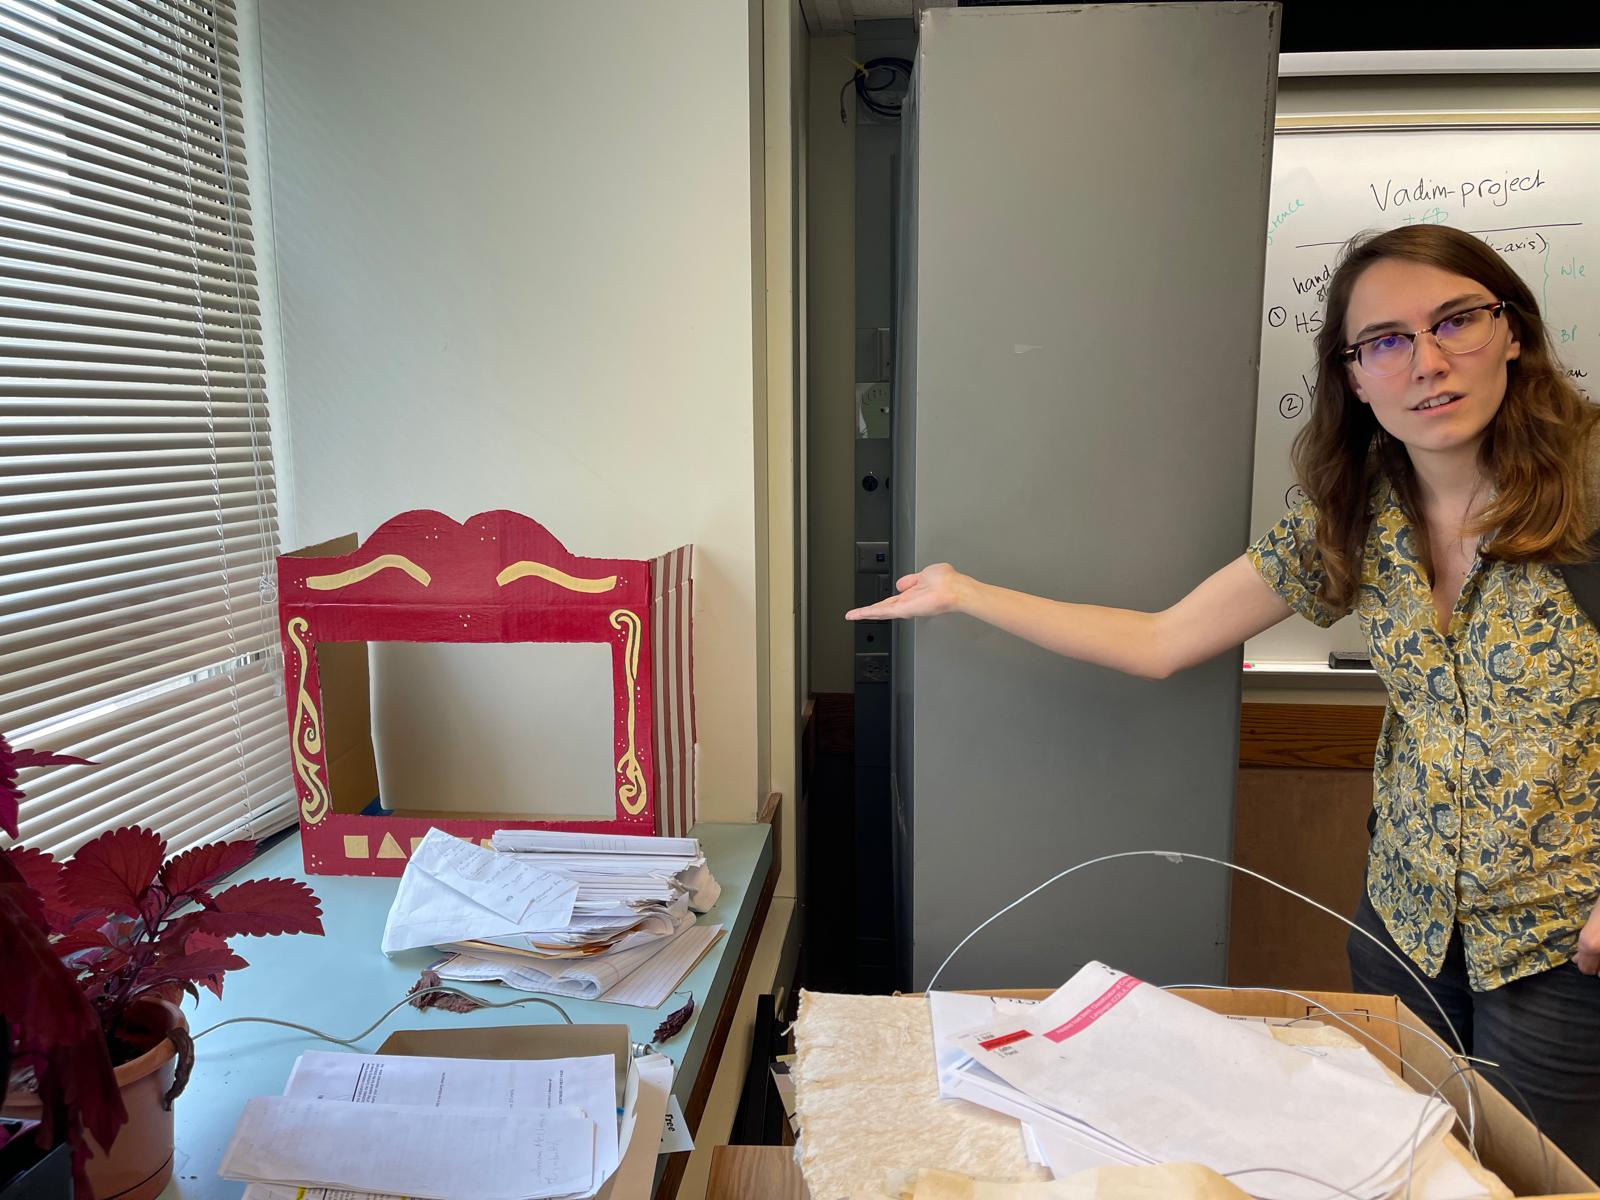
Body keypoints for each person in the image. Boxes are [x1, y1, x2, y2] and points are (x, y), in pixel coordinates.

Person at [846, 224, 1600, 1177]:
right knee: (1414, 1168)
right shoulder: (1355, 511)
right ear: (1354, 376)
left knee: (1541, 1180)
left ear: (1512, 331)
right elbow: (1164, 640)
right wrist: (966, 594)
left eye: (1457, 321)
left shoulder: (1589, 487)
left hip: (1561, 945)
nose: (1428, 362)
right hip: (1405, 923)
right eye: (1387, 341)